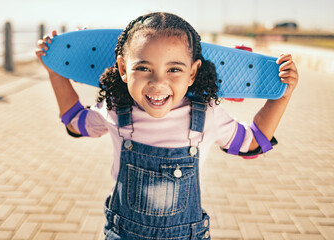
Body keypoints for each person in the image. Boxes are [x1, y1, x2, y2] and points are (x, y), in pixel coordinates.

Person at [36, 12, 298, 240]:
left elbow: (252, 142)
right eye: (143, 67)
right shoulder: (115, 107)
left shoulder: (207, 114)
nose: (157, 83)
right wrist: (55, 69)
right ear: (123, 69)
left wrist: (282, 97)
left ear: (193, 73)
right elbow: (75, 122)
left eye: (174, 69)